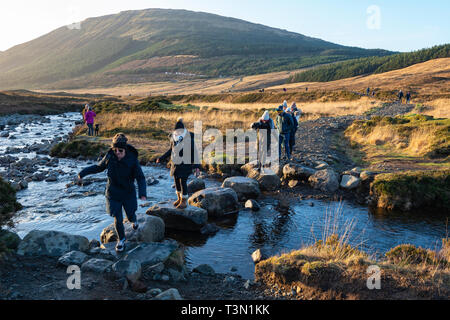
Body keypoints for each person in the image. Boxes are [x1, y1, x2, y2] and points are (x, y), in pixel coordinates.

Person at [77, 133, 147, 252]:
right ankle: (122, 240)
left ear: (124, 149)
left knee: (130, 215)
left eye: (120, 150)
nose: (117, 152)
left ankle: (134, 221)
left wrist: (142, 193)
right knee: (117, 218)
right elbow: (99, 167)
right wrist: (82, 173)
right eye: (115, 150)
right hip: (113, 192)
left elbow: (140, 177)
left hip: (128, 192)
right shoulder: (110, 156)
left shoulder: (132, 160)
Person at [157, 118, 200, 209]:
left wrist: (196, 167)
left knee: (183, 182)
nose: (178, 133)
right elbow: (170, 150)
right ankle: (179, 199)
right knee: (176, 181)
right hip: (175, 164)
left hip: (185, 164)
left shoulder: (189, 139)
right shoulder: (174, 139)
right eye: (176, 131)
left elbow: (195, 153)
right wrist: (161, 158)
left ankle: (184, 201)